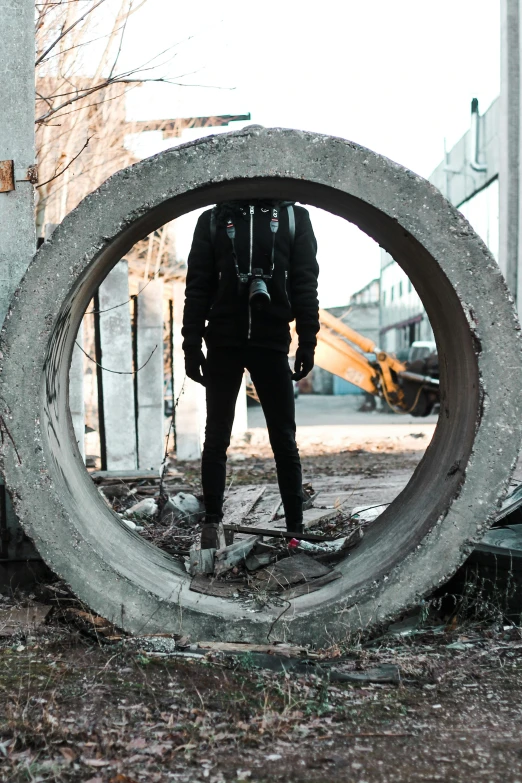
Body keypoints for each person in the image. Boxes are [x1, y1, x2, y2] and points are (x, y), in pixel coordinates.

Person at [182, 199, 319, 548]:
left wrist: (307, 342)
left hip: (272, 342)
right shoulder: (213, 219)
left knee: (284, 440)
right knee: (216, 438)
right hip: (223, 343)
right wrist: (191, 345)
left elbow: (305, 283)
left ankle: (295, 530)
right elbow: (196, 285)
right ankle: (211, 526)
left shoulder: (292, 217)